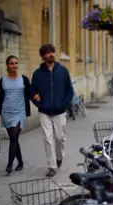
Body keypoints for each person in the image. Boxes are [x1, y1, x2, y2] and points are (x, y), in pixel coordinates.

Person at [31, 44, 74, 177]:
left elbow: (70, 90)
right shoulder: (37, 74)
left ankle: (59, 157)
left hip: (60, 111)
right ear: (43, 56)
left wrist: (64, 104)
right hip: (44, 112)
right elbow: (32, 92)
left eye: (52, 52)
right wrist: (39, 103)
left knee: (60, 138)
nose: (51, 54)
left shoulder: (63, 71)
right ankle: (52, 166)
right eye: (47, 53)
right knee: (48, 139)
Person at [0, 55, 31, 175]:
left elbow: (30, 93)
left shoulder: (24, 79)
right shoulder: (3, 80)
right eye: (12, 63)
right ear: (7, 65)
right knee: (14, 139)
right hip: (6, 112)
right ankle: (20, 162)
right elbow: (0, 98)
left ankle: (9, 165)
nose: (14, 65)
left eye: (16, 63)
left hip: (20, 112)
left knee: (13, 138)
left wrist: (39, 97)